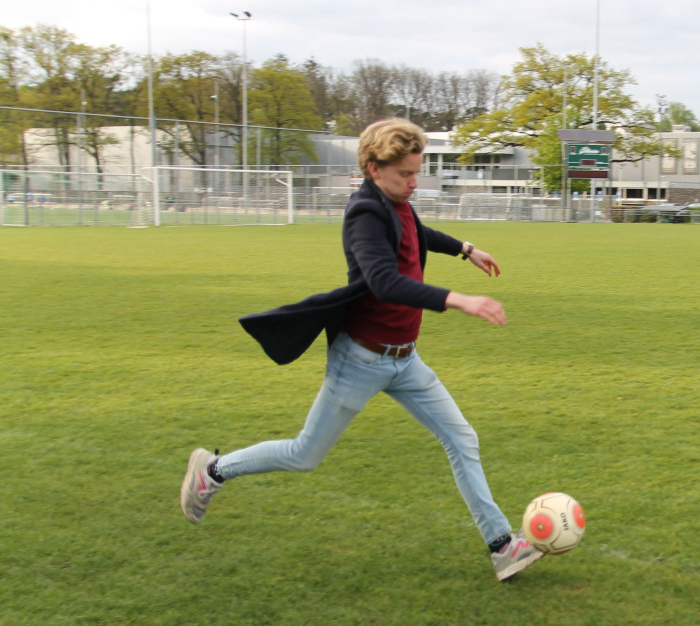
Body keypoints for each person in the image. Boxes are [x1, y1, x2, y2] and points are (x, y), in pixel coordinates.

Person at [179, 117, 542, 582]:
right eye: (404, 175)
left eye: (416, 172)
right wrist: (458, 299)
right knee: (304, 454)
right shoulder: (364, 214)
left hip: (405, 360)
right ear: (373, 168)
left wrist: (466, 248)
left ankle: (502, 547)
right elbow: (383, 281)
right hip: (361, 360)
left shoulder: (399, 204)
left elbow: (417, 232)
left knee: (461, 438)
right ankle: (211, 471)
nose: (414, 184)